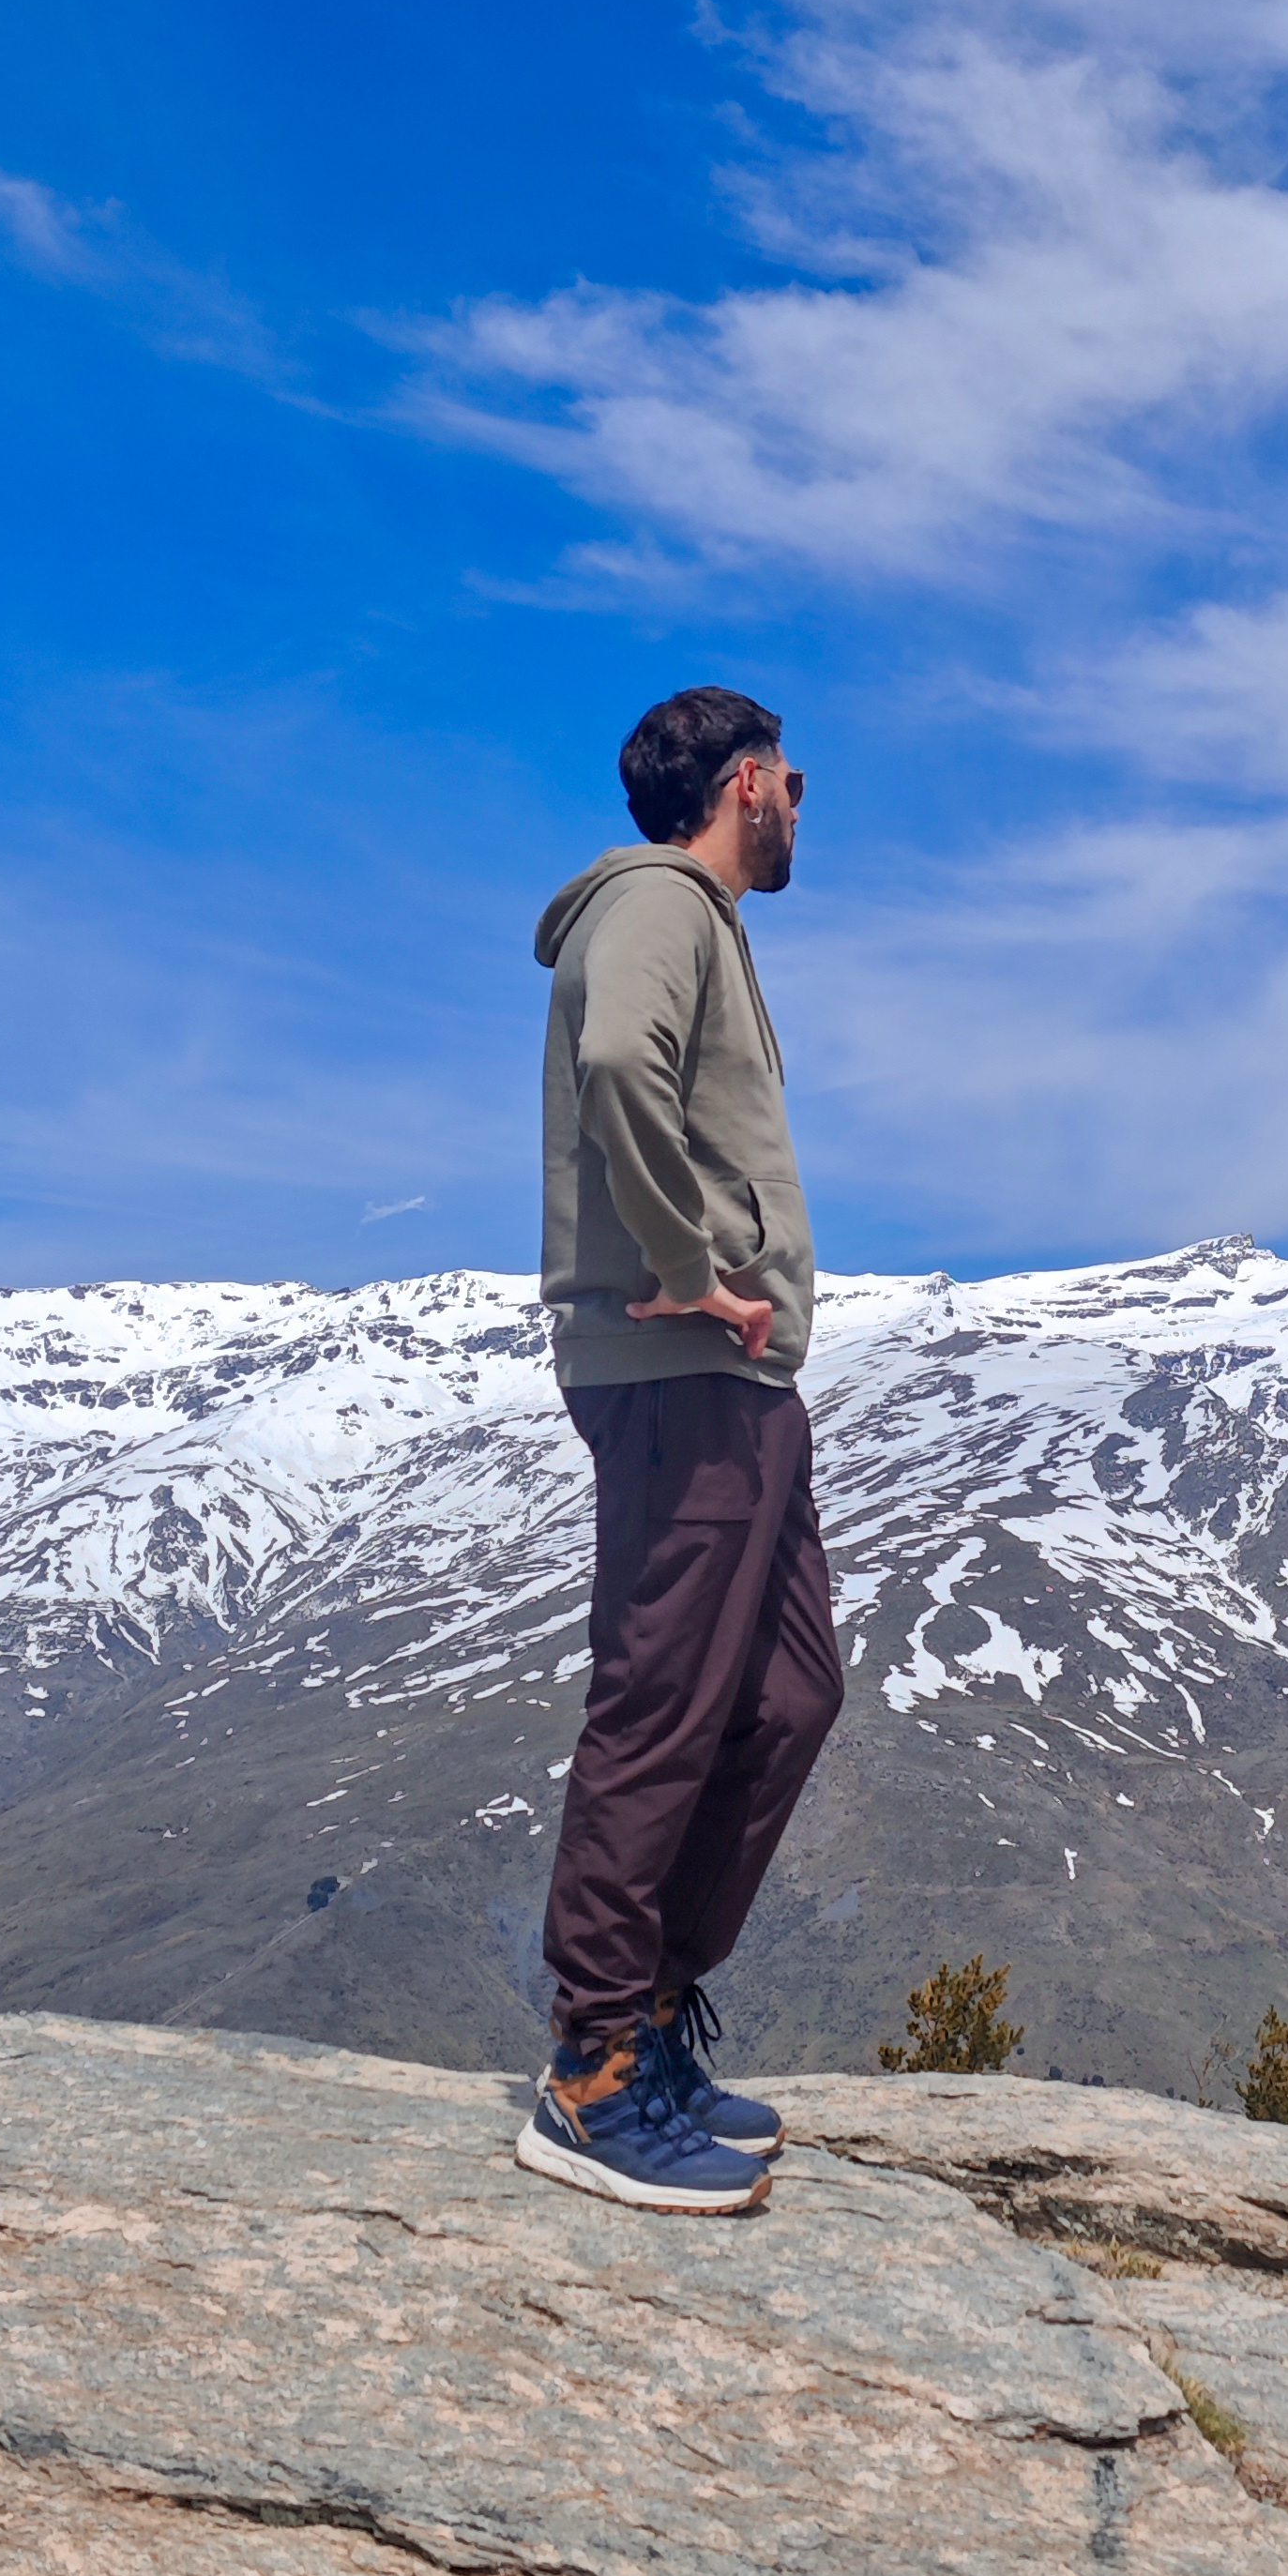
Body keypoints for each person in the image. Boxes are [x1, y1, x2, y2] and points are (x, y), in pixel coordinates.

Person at [515, 686, 843, 2213]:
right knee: (666, 1699)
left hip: (737, 1372)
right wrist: (690, 1259)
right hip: (680, 1358)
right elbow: (615, 1070)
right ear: (747, 783)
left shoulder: (702, 919)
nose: (799, 807)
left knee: (785, 1692)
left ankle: (648, 2013)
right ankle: (587, 2074)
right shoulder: (652, 904)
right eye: (791, 780)